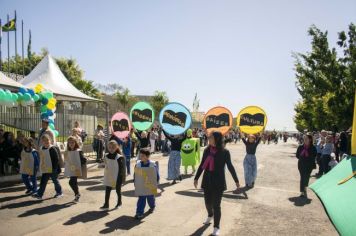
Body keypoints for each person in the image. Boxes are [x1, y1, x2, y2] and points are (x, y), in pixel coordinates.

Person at [194, 131, 240, 236]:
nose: (208, 138)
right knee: (207, 202)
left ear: (216, 139)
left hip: (218, 181)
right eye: (209, 136)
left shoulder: (225, 152)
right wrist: (196, 178)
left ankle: (216, 227)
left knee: (216, 205)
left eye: (210, 137)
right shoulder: (206, 150)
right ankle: (210, 215)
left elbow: (230, 166)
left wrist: (236, 180)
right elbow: (202, 165)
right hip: (207, 180)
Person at [33, 134, 62, 200]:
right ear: (42, 142)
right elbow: (41, 157)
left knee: (55, 181)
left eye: (47, 140)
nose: (46, 141)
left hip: (53, 169)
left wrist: (54, 168)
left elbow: (56, 159)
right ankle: (39, 194)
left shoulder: (52, 148)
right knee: (43, 181)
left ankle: (59, 192)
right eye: (44, 140)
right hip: (46, 168)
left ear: (50, 140)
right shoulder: (41, 148)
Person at [134, 148, 160, 219]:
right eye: (140, 155)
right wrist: (135, 183)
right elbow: (136, 175)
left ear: (147, 156)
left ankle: (152, 206)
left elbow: (156, 175)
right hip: (141, 185)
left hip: (150, 185)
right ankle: (139, 212)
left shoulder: (153, 165)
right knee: (141, 198)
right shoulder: (138, 165)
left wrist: (156, 183)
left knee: (150, 198)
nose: (140, 157)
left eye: (142, 156)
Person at [100, 140, 126, 210]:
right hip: (109, 176)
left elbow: (122, 169)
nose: (111, 149)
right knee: (107, 190)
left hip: (118, 177)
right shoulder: (106, 155)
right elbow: (106, 164)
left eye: (113, 147)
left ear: (116, 147)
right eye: (110, 147)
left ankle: (119, 202)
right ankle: (106, 204)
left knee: (118, 190)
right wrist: (102, 165)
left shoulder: (119, 157)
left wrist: (121, 179)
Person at [64, 136, 87, 202]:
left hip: (77, 169)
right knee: (73, 182)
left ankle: (77, 194)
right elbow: (67, 160)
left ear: (75, 143)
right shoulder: (67, 152)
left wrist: (80, 161)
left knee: (71, 182)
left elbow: (84, 160)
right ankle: (77, 194)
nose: (71, 144)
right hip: (71, 169)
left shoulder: (78, 151)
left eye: (72, 142)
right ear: (68, 144)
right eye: (69, 143)